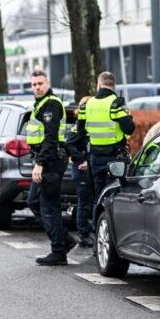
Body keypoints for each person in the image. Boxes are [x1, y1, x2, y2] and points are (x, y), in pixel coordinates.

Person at [23, 70, 73, 266]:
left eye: (40, 84)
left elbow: (51, 139)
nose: (37, 87)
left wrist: (39, 164)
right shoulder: (41, 104)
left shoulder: (51, 104)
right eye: (34, 84)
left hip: (50, 162)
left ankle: (59, 251)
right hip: (47, 161)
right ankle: (65, 240)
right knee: (34, 201)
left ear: (48, 83)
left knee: (49, 207)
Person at [76, 71, 136, 233]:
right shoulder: (116, 103)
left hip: (95, 158)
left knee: (98, 197)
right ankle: (113, 235)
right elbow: (129, 128)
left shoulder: (87, 105)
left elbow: (80, 132)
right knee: (114, 197)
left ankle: (98, 235)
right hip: (114, 158)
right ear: (114, 85)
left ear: (99, 83)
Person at [65, 98, 95, 247]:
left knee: (93, 202)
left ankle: (93, 232)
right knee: (84, 202)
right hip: (81, 169)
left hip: (91, 167)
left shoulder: (92, 125)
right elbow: (69, 144)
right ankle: (83, 235)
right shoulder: (78, 127)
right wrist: (81, 159)